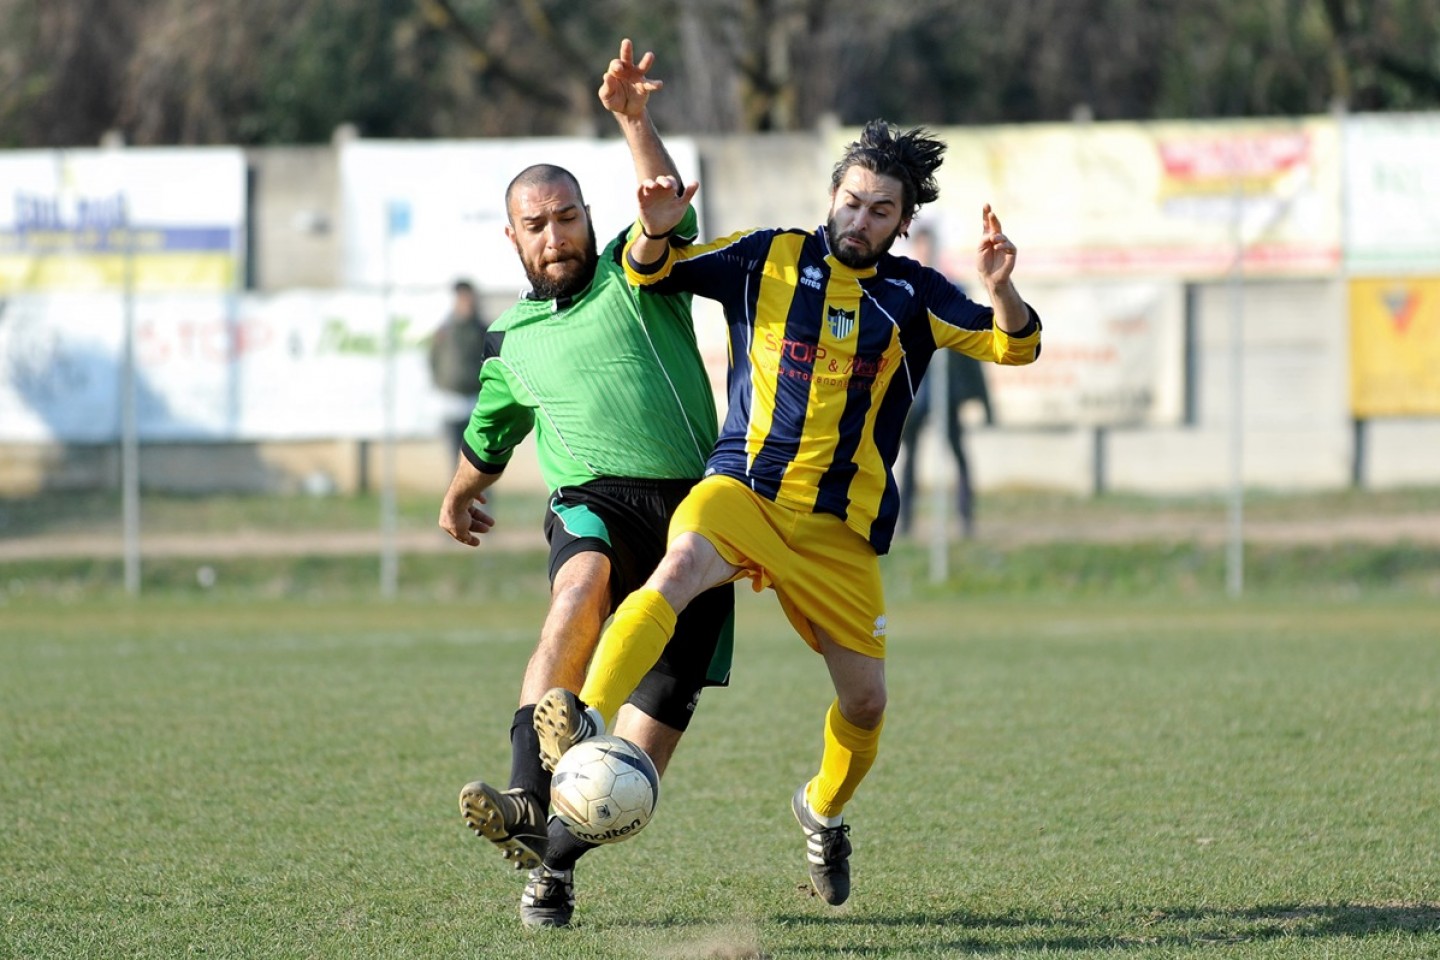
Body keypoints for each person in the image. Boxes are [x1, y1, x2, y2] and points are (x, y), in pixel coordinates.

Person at [533, 116, 1043, 907]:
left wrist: (1001, 289)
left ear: (903, 222)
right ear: (831, 197)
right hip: (742, 491)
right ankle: (583, 718)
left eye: (881, 211)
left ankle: (823, 811)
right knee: (675, 570)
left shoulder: (917, 297)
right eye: (851, 201)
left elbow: (1015, 348)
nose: (860, 219)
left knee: (866, 703)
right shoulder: (766, 256)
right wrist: (653, 234)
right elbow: (652, 272)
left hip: (837, 533)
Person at [438, 40, 734, 929]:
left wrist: (634, 120)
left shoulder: (639, 276)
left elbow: (664, 213)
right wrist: (458, 492)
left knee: (633, 770)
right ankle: (529, 794)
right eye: (538, 224)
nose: (557, 236)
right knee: (579, 585)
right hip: (593, 503)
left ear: (585, 217)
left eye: (567, 217)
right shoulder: (509, 342)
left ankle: (552, 863)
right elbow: (488, 437)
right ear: (513, 237)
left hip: (698, 511)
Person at [897, 228, 994, 539]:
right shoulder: (902, 287)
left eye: (931, 245)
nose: (926, 251)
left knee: (958, 452)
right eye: (921, 246)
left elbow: (971, 343)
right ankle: (904, 522)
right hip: (917, 390)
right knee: (907, 456)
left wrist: (982, 399)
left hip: (947, 390)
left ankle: (966, 520)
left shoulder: (953, 287)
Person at [429, 279, 490, 456]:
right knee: (455, 453)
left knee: (479, 452)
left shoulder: (482, 329)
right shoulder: (445, 329)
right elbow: (433, 359)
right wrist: (441, 383)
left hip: (475, 399)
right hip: (450, 399)